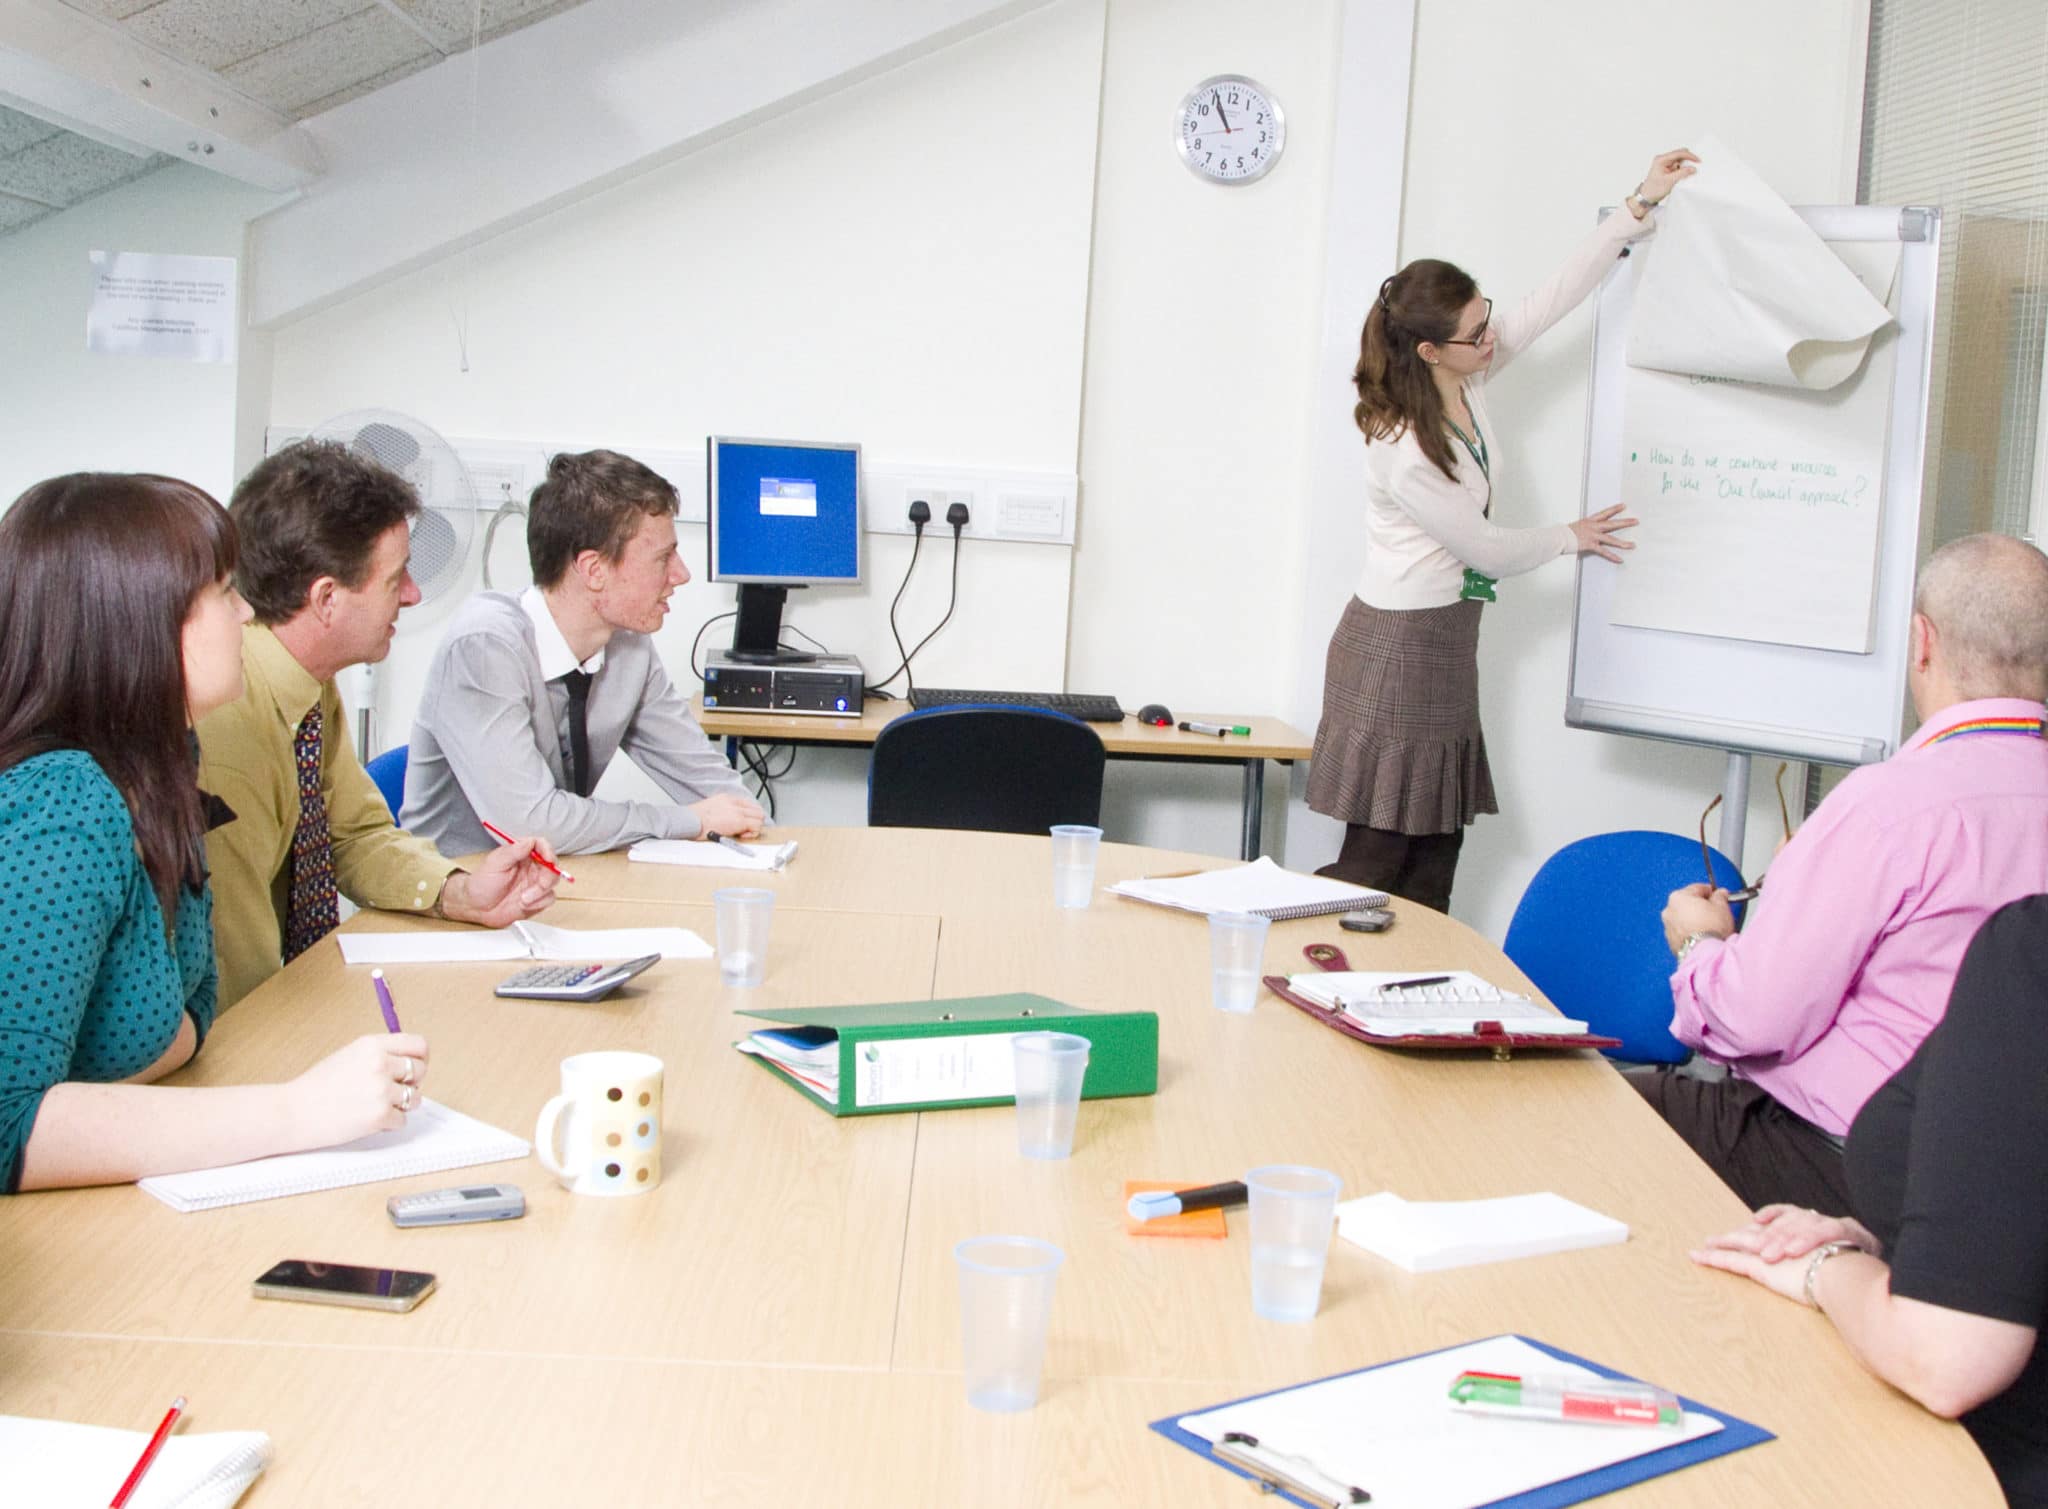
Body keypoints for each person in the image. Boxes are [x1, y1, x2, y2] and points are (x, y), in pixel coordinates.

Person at [0, 474, 432, 1193]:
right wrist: (298, 1111)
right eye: (223, 593)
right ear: (139, 621)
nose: (245, 614)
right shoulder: (66, 803)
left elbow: (190, 1015)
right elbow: (8, 1122)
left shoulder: (169, 766)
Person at [1309, 148, 1699, 913]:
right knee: (1378, 856)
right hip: (1398, 645)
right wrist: (1571, 536)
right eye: (1474, 332)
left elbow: (1552, 298)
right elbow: (1481, 548)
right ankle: (1295, 971)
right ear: (1428, 350)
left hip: (1444, 641)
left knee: (1437, 845)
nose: (1492, 336)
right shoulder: (1403, 444)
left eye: (1487, 319)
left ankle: (1408, 1003)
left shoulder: (1466, 374)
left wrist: (1638, 204)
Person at [1638, 533, 2048, 1213]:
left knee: (1589, 1112)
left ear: (1922, 641)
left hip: (1851, 1165)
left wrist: (1699, 942)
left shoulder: (1891, 804)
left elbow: (1753, 1017)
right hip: (2012, 1189)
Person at [1692, 895, 2048, 1507]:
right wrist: (1911, 1244)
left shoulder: (2030, 950)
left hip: (1977, 1471)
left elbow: (1945, 1358)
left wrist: (1822, 1269)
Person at [196, 441, 561, 1011]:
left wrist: (462, 893)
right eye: (396, 579)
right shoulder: (227, 720)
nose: (413, 594)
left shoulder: (306, 682)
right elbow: (236, 971)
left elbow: (354, 836)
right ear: (325, 599)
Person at [402, 448, 765, 856]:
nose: (681, 574)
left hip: (553, 887)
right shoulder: (484, 647)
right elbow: (531, 825)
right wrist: (689, 821)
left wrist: (762, 834)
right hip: (456, 897)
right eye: (663, 557)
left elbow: (710, 781)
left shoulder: (629, 645)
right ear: (594, 570)